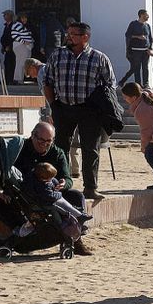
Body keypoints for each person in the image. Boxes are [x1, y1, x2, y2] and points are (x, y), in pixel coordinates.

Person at [38, 21, 115, 200]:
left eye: (73, 34)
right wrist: (53, 105)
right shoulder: (57, 55)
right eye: (68, 33)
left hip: (90, 110)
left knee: (91, 149)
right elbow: (47, 81)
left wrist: (101, 106)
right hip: (63, 107)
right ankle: (58, 184)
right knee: (60, 148)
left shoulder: (99, 58)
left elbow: (110, 85)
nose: (69, 36)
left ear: (85, 37)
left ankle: (90, 187)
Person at [0, 123, 93, 255]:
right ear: (32, 135)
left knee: (76, 196)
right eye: (41, 140)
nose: (44, 144)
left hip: (51, 194)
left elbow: (68, 178)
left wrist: (64, 183)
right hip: (25, 197)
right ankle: (19, 234)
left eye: (48, 141)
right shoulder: (20, 150)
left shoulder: (57, 153)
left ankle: (76, 238)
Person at [19, 163, 92, 240]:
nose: (52, 179)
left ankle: (79, 215)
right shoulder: (42, 186)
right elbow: (50, 196)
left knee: (68, 203)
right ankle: (79, 215)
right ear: (43, 179)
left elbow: (53, 181)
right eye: (50, 178)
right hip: (46, 202)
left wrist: (59, 183)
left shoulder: (45, 179)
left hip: (51, 198)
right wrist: (59, 194)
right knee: (64, 205)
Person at [122, 9, 153, 87]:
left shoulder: (147, 26)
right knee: (137, 68)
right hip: (136, 51)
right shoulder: (133, 24)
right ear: (141, 15)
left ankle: (146, 83)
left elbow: (150, 38)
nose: (148, 16)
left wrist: (150, 48)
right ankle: (138, 84)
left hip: (146, 51)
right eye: (146, 15)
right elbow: (128, 35)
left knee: (145, 68)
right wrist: (138, 37)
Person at [2, 9, 32, 86]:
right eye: (22, 18)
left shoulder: (19, 25)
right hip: (21, 46)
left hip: (22, 46)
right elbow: (14, 35)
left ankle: (17, 79)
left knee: (20, 63)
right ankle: (18, 79)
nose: (24, 19)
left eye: (25, 18)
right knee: (21, 63)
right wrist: (24, 42)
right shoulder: (18, 24)